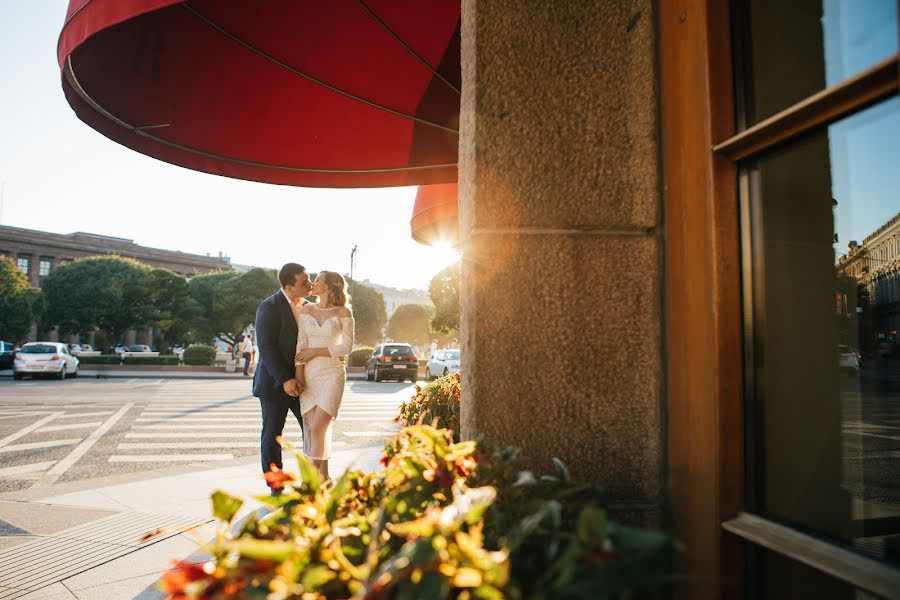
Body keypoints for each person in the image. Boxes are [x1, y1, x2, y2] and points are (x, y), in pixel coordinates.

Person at [252, 263, 311, 494]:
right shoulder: (269, 307)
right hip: (274, 384)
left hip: (302, 384)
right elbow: (266, 348)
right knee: (272, 436)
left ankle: (312, 478)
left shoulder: (308, 307)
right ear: (289, 286)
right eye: (304, 281)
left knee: (311, 431)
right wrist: (286, 379)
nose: (310, 284)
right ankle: (275, 485)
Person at [293, 271, 354, 481]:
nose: (313, 282)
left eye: (317, 279)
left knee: (318, 426)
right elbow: (301, 345)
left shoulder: (343, 312)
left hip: (333, 374)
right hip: (310, 374)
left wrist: (315, 352)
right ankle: (324, 477)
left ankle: (308, 482)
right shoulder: (306, 310)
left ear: (328, 286)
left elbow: (346, 347)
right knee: (314, 427)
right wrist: (299, 375)